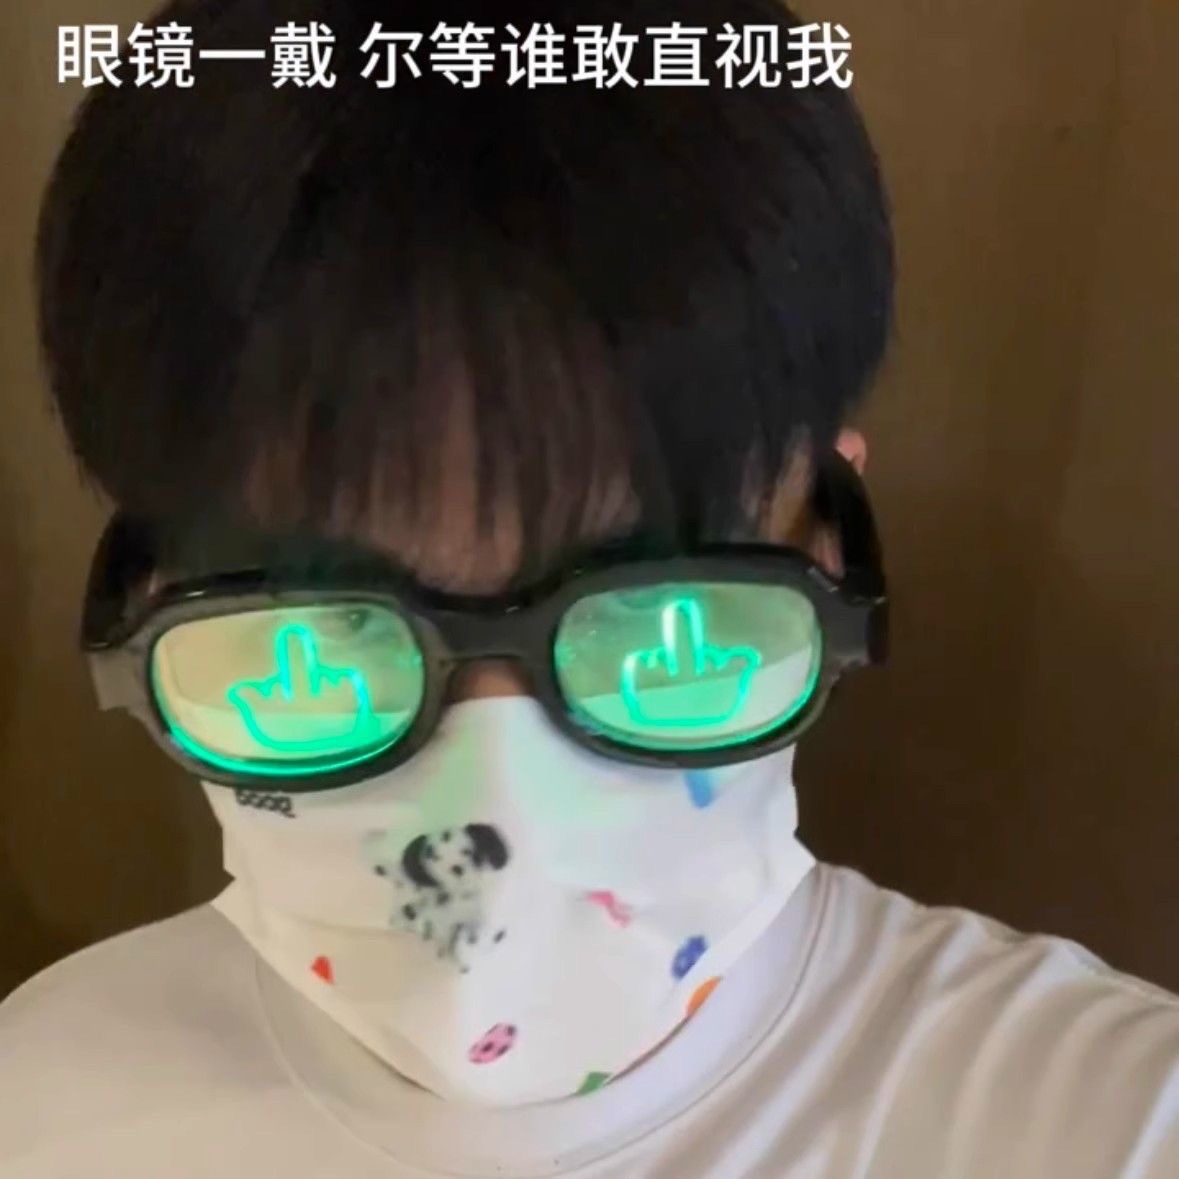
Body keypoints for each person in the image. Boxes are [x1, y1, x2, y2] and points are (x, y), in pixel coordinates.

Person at [3, 1, 1176, 1175]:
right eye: (326, 644)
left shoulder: (1111, 1124)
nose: (499, 790)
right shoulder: (38, 1106)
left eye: (653, 627)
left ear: (828, 546)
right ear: (149, 605)